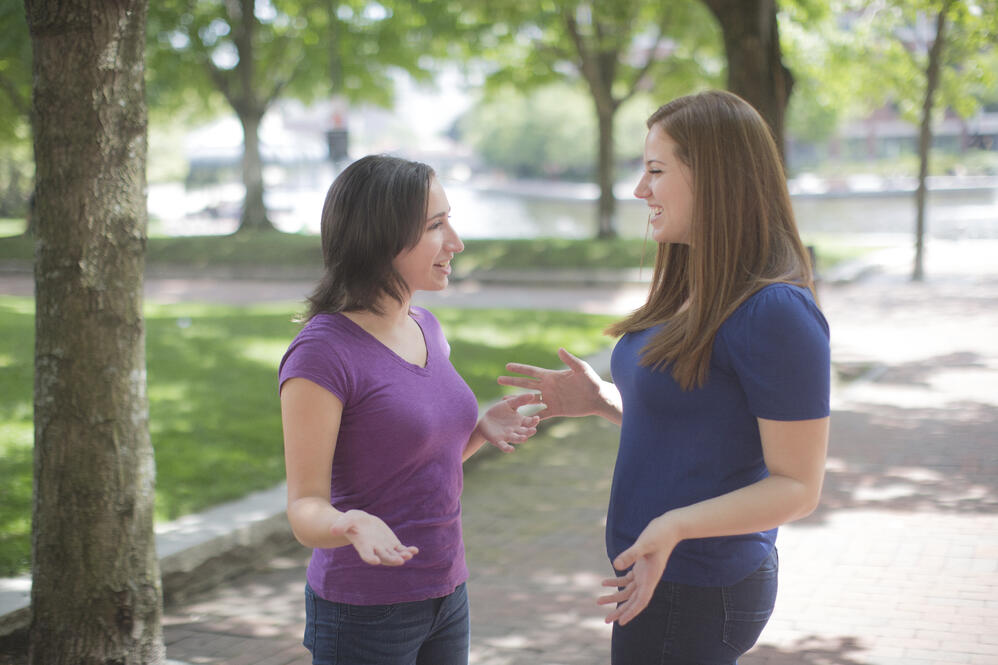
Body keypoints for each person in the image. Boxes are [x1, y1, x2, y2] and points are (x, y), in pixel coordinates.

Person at [499, 90, 831, 664]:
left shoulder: (774, 312)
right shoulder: (694, 284)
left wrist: (674, 526)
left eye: (656, 170)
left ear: (718, 179)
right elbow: (706, 422)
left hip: (700, 586)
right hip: (663, 574)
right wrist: (602, 399)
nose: (639, 190)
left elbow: (798, 487)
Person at [279, 154, 541, 665]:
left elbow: (410, 469)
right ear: (383, 238)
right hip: (364, 610)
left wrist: (477, 431)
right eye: (436, 226)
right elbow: (304, 507)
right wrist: (348, 523)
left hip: (447, 591)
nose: (456, 243)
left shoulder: (426, 327)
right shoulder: (322, 353)